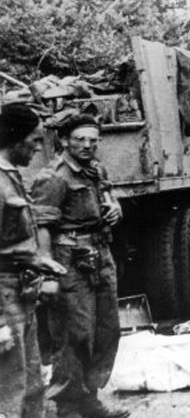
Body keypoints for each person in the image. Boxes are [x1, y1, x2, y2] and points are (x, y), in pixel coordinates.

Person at [30, 114, 128, 418]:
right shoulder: (54, 177)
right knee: (74, 335)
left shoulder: (96, 169)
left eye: (93, 140)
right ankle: (68, 406)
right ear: (64, 141)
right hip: (69, 260)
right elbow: (42, 226)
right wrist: (49, 274)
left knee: (107, 329)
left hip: (100, 254)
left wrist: (115, 206)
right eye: (80, 139)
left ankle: (90, 398)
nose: (87, 145)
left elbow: (109, 195)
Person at [0, 102, 66, 418]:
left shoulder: (12, 176)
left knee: (32, 386)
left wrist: (38, 260)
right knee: (9, 393)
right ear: (14, 138)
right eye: (35, 139)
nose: (39, 147)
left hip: (21, 291)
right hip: (4, 298)